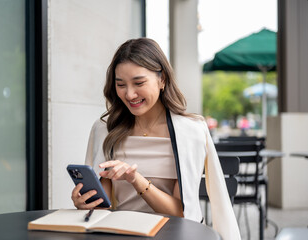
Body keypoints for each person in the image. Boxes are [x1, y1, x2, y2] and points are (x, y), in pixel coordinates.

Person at [71, 38, 241, 240]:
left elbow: (180, 212)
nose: (129, 94)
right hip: (119, 234)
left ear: (162, 80)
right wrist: (85, 202)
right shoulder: (105, 130)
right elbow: (103, 207)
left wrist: (135, 179)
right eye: (120, 84)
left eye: (139, 82)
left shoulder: (190, 131)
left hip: (173, 234)